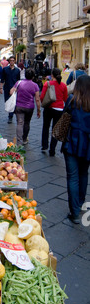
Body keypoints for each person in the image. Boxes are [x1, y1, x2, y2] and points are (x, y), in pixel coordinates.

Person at [61, 75, 90, 223]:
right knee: (83, 174)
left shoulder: (72, 100)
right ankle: (79, 202)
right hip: (88, 145)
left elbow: (64, 118)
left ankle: (74, 212)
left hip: (72, 143)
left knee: (72, 176)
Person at [40, 68, 68, 156]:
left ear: (52, 75)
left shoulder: (47, 84)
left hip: (48, 108)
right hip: (59, 109)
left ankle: (45, 145)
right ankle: (52, 149)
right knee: (55, 129)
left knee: (46, 126)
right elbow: (65, 99)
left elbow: (42, 97)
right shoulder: (63, 86)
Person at [10, 68, 41, 145]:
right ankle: (24, 139)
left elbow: (11, 92)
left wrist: (17, 90)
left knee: (20, 123)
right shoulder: (35, 86)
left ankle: (19, 141)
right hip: (29, 107)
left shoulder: (19, 83)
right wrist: (39, 110)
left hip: (19, 106)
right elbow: (37, 99)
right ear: (33, 76)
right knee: (27, 123)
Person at [0, 56, 21, 123]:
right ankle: (11, 113)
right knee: (7, 102)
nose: (12, 61)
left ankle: (10, 117)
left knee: (12, 102)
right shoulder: (5, 69)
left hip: (14, 89)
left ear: (15, 61)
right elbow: (2, 79)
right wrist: (1, 88)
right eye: (11, 60)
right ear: (9, 61)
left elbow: (18, 80)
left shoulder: (17, 70)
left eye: (13, 60)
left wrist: (18, 89)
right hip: (6, 88)